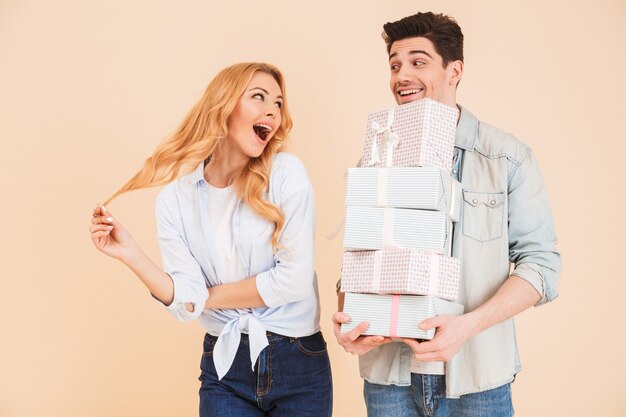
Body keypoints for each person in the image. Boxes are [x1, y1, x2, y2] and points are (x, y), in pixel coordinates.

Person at [333, 12, 561, 417]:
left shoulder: (506, 157)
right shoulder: (376, 159)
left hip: (477, 378)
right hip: (390, 379)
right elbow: (361, 261)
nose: (402, 75)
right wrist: (350, 320)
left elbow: (541, 267)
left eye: (418, 62)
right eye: (395, 64)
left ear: (454, 70)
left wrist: (467, 326)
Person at [90, 62, 332, 417]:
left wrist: (202, 299)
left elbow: (292, 282)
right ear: (224, 105)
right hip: (225, 367)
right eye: (259, 97)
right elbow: (185, 301)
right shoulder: (175, 200)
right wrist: (131, 254)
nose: (272, 111)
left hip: (299, 362)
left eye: (278, 103)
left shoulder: (285, 174)